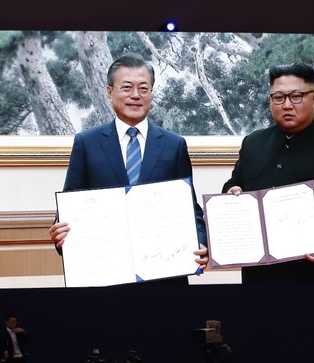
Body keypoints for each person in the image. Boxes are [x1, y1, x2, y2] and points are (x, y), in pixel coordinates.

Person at [48, 53, 208, 274]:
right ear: (109, 91)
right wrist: (61, 232)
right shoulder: (86, 143)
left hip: (164, 276)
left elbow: (190, 209)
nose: (136, 95)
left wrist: (201, 242)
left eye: (143, 88)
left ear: (151, 93)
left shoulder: (174, 145)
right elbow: (70, 207)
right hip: (105, 276)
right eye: (126, 88)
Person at [222, 62, 314, 283]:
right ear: (271, 101)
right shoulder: (253, 143)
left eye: (297, 96)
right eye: (279, 98)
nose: (287, 105)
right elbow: (236, 183)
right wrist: (231, 191)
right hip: (261, 278)